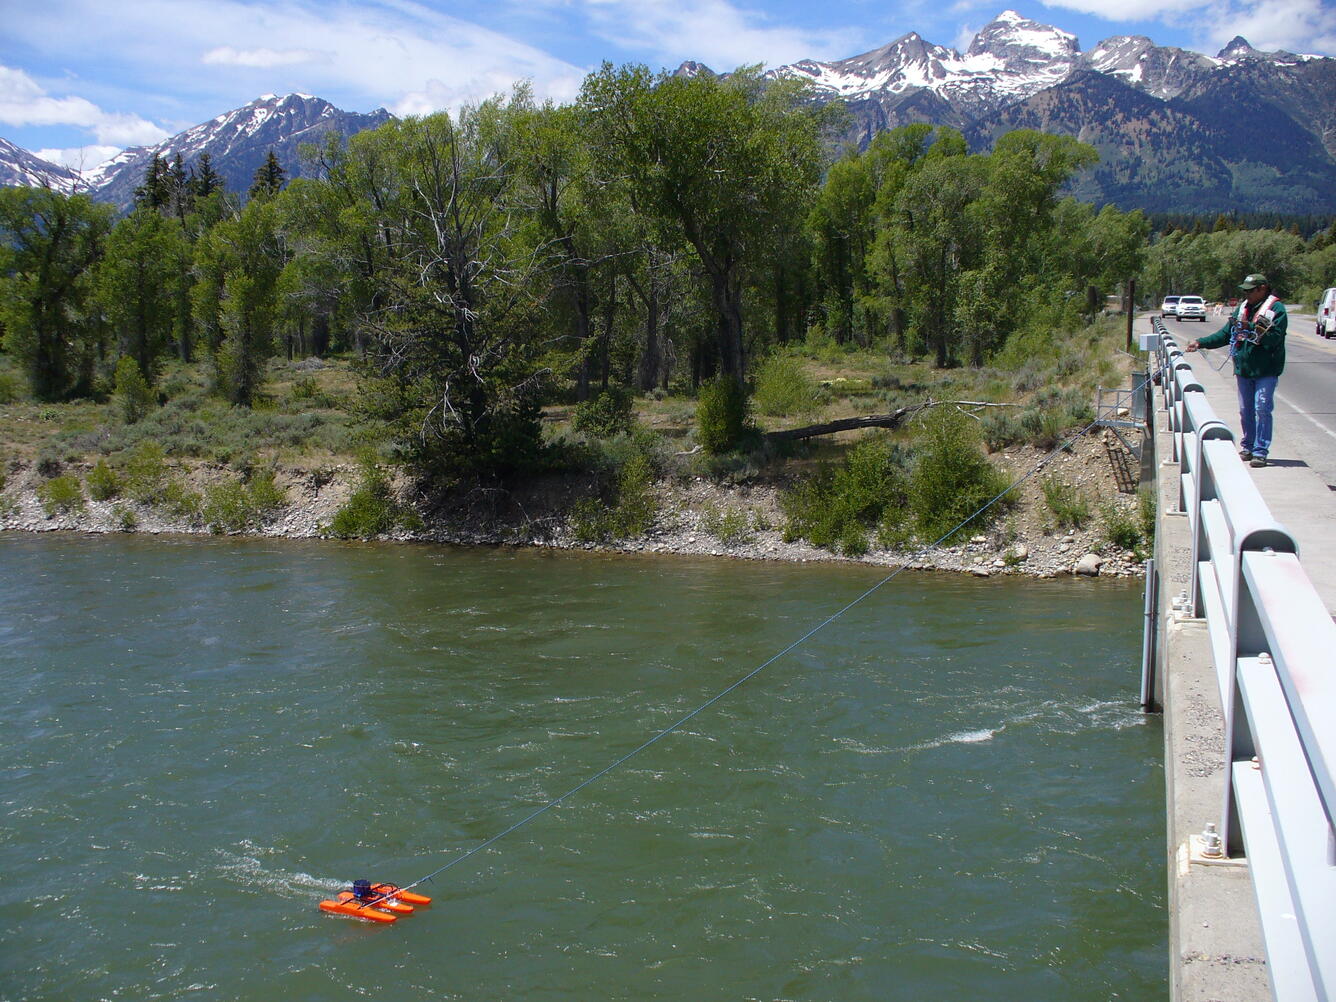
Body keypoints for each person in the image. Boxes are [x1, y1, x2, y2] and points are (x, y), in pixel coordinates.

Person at [1185, 273, 1287, 468]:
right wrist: (1200, 342)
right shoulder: (1242, 308)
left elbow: (1275, 338)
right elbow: (1225, 334)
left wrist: (1255, 330)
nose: (1246, 294)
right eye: (1245, 291)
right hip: (1244, 369)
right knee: (1245, 410)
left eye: (1250, 290)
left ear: (1262, 289)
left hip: (1266, 370)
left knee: (1262, 408)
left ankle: (1260, 451)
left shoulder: (1277, 309)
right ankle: (1248, 446)